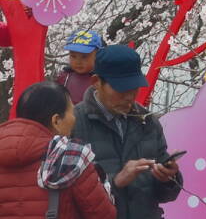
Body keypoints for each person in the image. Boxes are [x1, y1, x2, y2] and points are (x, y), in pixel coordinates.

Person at [71, 46, 182, 219]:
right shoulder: (74, 123)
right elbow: (67, 193)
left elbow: (166, 196)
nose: (129, 97)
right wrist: (115, 182)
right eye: (121, 90)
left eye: (134, 88)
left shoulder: (148, 122)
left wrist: (168, 179)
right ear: (96, 82)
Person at [0, 80, 116, 218]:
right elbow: (104, 215)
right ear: (56, 121)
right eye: (72, 112)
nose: (74, 118)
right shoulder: (71, 157)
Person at [52, 30, 105, 105]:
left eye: (84, 57)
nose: (78, 61)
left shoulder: (102, 78)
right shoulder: (65, 77)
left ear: (97, 55)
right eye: (73, 56)